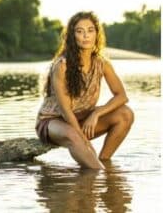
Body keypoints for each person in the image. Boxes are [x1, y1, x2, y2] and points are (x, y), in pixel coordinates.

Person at [35, 11, 134, 169]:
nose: (86, 36)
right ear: (72, 36)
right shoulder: (62, 66)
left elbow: (122, 96)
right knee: (73, 135)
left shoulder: (102, 63)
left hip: (84, 119)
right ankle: (99, 171)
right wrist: (84, 142)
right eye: (80, 31)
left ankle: (104, 162)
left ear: (97, 34)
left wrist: (96, 113)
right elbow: (66, 111)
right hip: (54, 121)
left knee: (126, 114)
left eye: (90, 30)